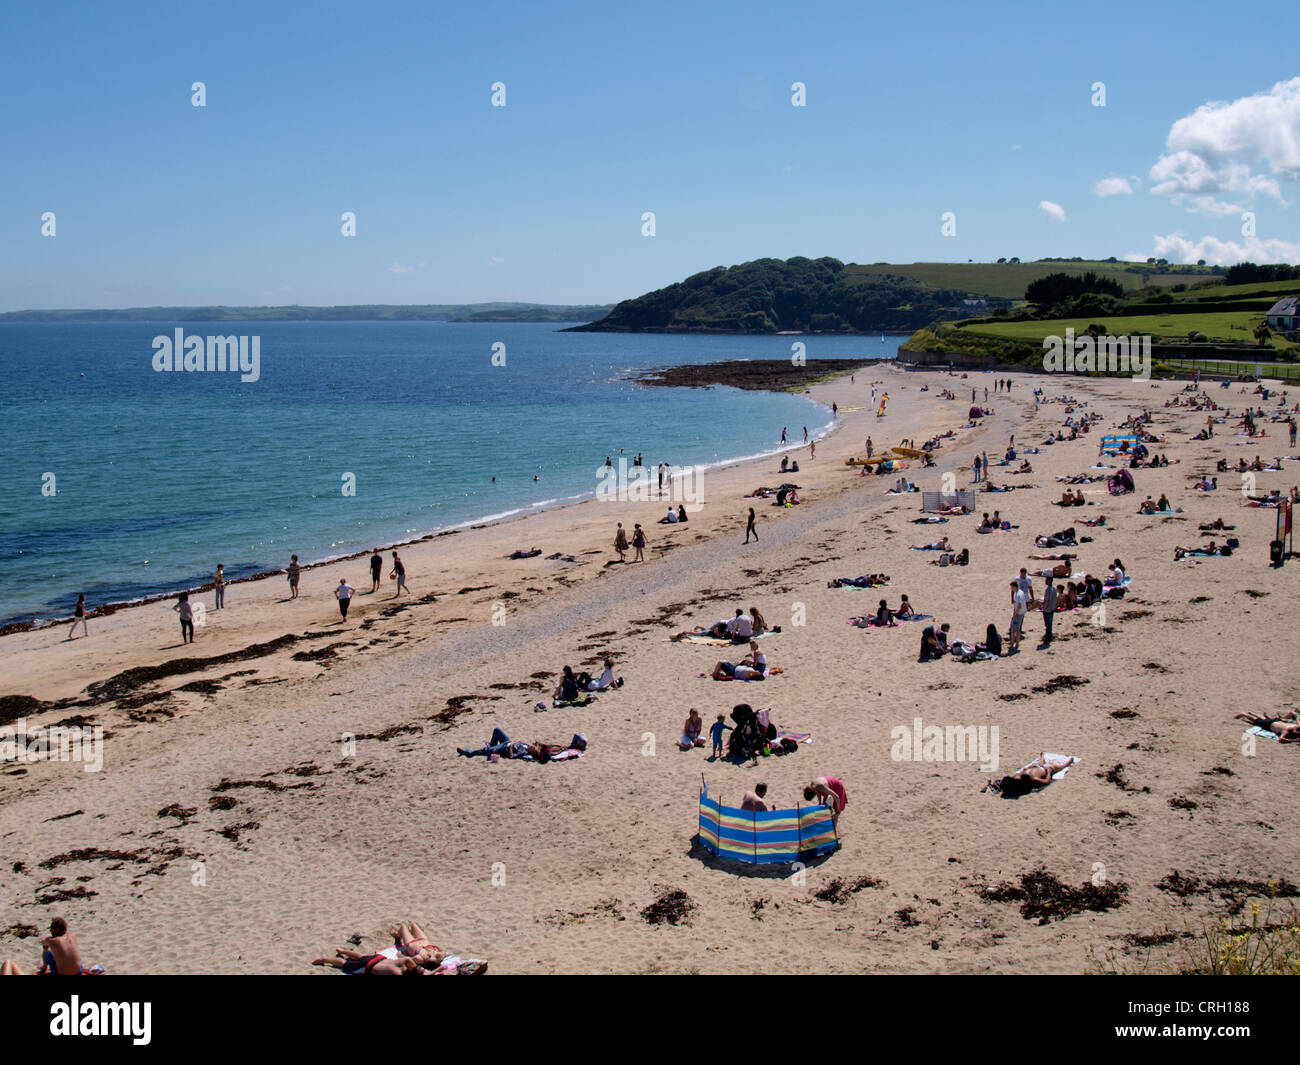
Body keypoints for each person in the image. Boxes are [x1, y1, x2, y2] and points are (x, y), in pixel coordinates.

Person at [997, 754, 1075, 797]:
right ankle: (1067, 763)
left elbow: (1023, 770)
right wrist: (1048, 771)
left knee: (1040, 762)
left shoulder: (1018, 777)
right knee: (1054, 766)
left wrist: (1028, 767)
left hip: (1036, 768)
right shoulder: (1034, 779)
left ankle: (1042, 758)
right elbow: (1047, 781)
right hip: (1044, 770)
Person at [313, 948, 421, 975]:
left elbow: (408, 959)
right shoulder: (397, 973)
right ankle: (325, 959)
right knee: (345, 964)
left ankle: (343, 950)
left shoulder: (405, 962)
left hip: (378, 958)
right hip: (368, 966)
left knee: (361, 956)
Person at [1008, 580, 1028, 652]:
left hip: (1019, 613)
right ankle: (1017, 643)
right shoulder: (1020, 592)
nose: (1011, 589)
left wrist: (1015, 613)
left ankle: (1013, 643)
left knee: (1014, 629)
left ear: (1014, 587)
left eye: (1012, 587)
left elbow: (1019, 606)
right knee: (1018, 629)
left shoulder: (1018, 594)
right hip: (1021, 613)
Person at [1040, 576, 1058, 644]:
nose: (1045, 581)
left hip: (1048, 609)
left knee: (1047, 624)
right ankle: (1049, 635)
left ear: (1049, 581)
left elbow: (1046, 600)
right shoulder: (1054, 588)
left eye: (1046, 580)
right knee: (1050, 623)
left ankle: (1048, 637)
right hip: (1052, 608)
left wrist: (1043, 609)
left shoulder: (1048, 589)